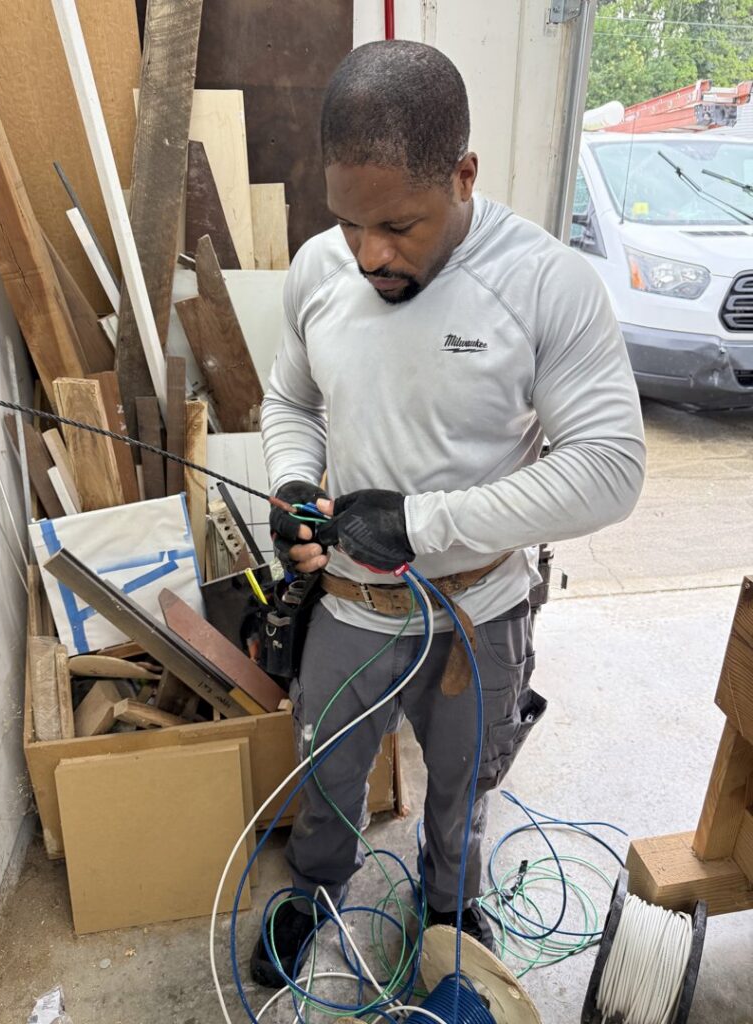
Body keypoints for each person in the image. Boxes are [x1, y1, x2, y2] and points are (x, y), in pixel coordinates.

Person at [251, 39, 645, 987]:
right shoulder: (319, 270)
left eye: (399, 225)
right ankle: (316, 884)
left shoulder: (547, 284)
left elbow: (611, 468)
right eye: (349, 223)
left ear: (464, 174)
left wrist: (423, 524)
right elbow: (289, 402)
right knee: (332, 763)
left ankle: (448, 902)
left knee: (463, 781)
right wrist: (297, 482)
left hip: (480, 608)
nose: (370, 256)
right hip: (350, 605)